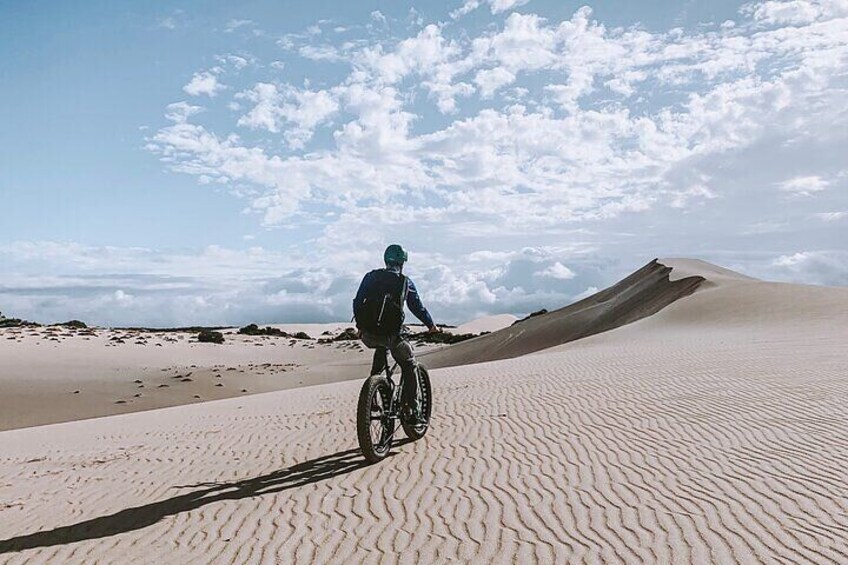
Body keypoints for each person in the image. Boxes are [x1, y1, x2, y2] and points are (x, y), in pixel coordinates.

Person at [353, 244, 439, 424]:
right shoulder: (404, 282)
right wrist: (431, 325)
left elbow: (357, 301)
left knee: (380, 347)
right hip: (393, 335)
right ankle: (412, 408)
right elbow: (417, 307)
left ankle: (373, 391)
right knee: (409, 364)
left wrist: (360, 327)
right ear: (402, 262)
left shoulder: (370, 277)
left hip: (368, 335)